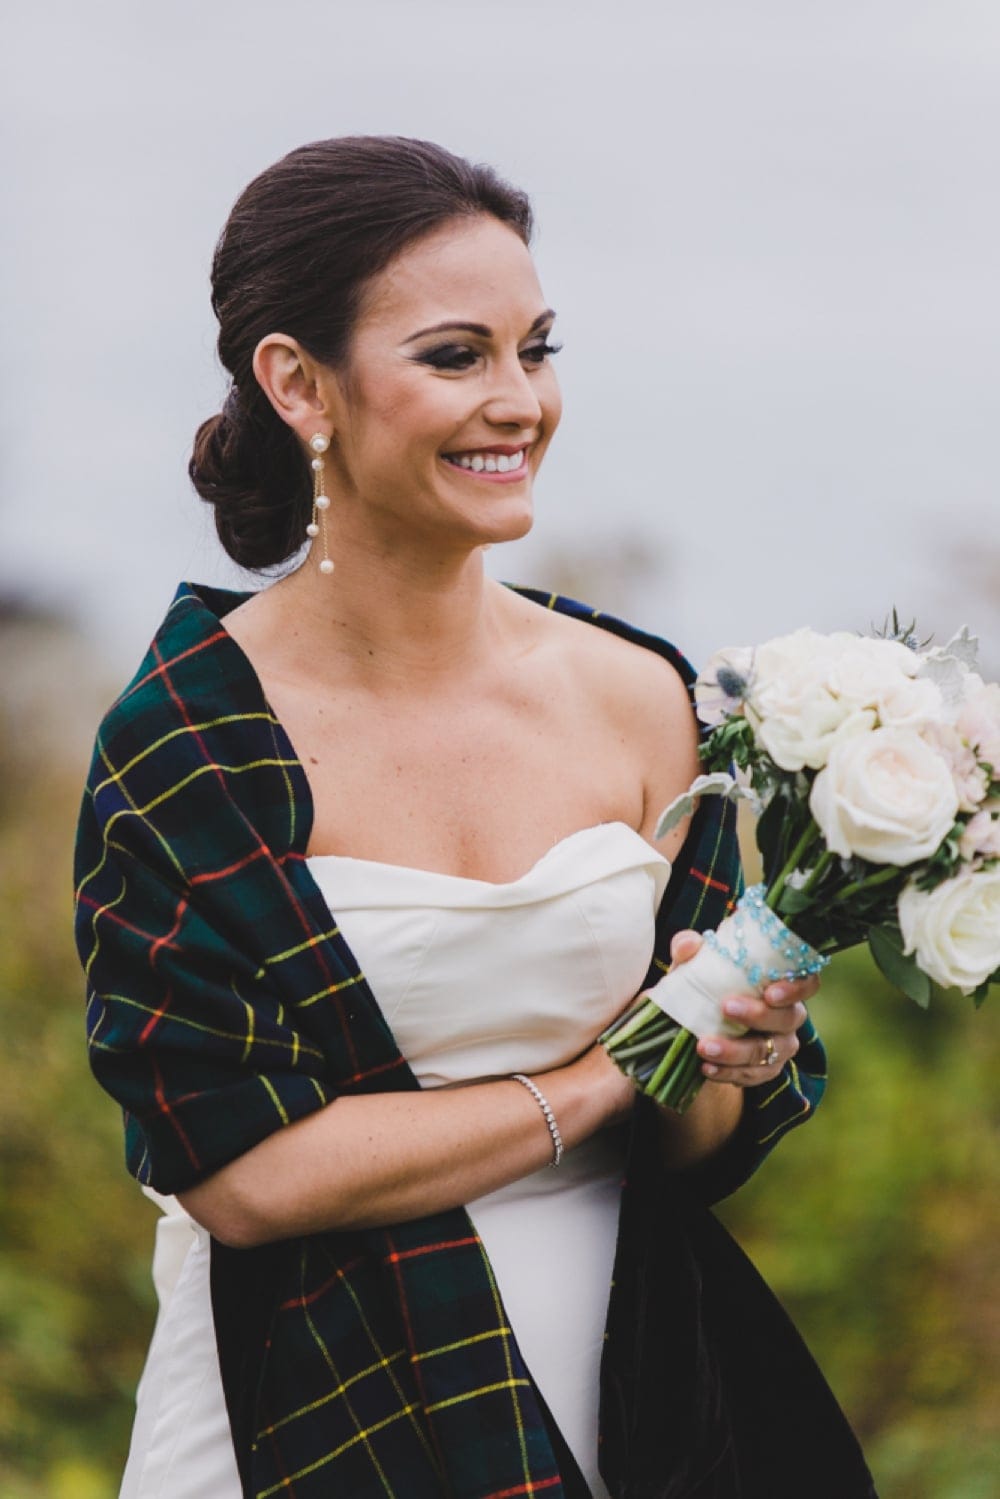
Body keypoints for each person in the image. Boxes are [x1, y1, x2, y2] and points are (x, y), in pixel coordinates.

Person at [74, 137, 876, 1499]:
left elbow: (698, 1152)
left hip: (643, 1393)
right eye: (458, 357)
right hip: (301, 1398)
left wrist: (729, 1055)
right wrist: (608, 1077)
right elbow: (242, 1174)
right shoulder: (186, 744)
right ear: (298, 385)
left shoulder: (645, 698)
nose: (520, 404)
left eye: (537, 349)